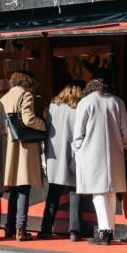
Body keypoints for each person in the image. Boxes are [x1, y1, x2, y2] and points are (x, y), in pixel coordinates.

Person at [72, 77, 127, 245]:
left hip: (91, 150)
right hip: (114, 151)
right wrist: (123, 144)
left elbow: (79, 130)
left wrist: (77, 148)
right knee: (110, 190)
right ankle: (109, 229)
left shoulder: (86, 102)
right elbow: (124, 129)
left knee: (97, 190)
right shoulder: (117, 101)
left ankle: (104, 231)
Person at [0, 71, 46, 241]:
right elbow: (29, 119)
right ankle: (21, 228)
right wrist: (44, 125)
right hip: (24, 148)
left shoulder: (3, 99)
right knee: (24, 187)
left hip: (9, 148)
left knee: (14, 191)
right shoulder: (26, 96)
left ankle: (9, 226)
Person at [39, 82, 85, 241]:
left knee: (53, 193)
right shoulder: (79, 108)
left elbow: (47, 128)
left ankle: (45, 228)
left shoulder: (53, 106)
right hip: (73, 154)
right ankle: (75, 231)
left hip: (55, 155)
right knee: (75, 192)